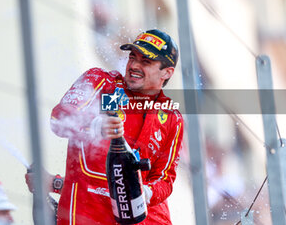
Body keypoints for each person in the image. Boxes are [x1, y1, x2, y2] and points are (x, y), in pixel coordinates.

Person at [26, 29, 184, 224]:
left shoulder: (171, 117)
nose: (134, 65)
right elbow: (59, 120)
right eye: (132, 57)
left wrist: (146, 192)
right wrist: (95, 126)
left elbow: (165, 179)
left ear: (167, 72)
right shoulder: (103, 84)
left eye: (146, 62)